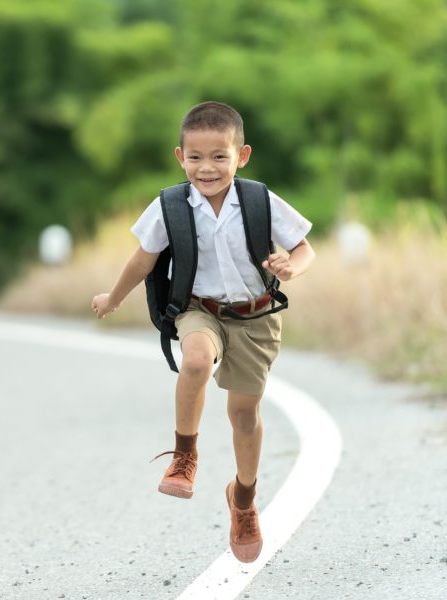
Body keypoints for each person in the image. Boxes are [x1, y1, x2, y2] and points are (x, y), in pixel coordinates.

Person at [90, 101, 315, 563]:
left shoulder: (258, 201)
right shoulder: (170, 206)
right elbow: (143, 259)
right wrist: (113, 296)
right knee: (194, 360)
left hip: (255, 317)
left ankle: (244, 499)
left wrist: (291, 267)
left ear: (242, 155)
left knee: (244, 416)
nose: (206, 168)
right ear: (180, 157)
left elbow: (303, 247)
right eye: (195, 157)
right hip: (199, 310)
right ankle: (185, 456)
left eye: (219, 156)